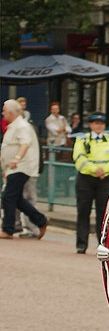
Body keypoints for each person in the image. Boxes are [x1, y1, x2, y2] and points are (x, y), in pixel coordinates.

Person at [72, 111, 109, 254]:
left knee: (104, 212)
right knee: (83, 211)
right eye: (96, 123)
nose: (99, 126)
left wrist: (105, 170)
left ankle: (103, 244)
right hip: (85, 179)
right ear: (90, 125)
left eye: (101, 124)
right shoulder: (82, 139)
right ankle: (81, 244)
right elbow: (79, 158)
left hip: (105, 179)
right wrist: (95, 170)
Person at [0, 99, 48, 240]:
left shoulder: (22, 126)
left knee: (8, 196)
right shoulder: (13, 126)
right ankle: (40, 220)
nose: (3, 114)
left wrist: (17, 158)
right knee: (17, 198)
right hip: (13, 168)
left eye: (4, 111)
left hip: (21, 167)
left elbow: (25, 144)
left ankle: (8, 229)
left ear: (10, 112)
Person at [14, 97, 41, 237]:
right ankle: (15, 225)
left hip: (26, 168)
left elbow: (30, 147)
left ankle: (35, 227)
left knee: (28, 197)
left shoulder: (26, 126)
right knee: (15, 196)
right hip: (18, 168)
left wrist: (16, 160)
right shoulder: (16, 126)